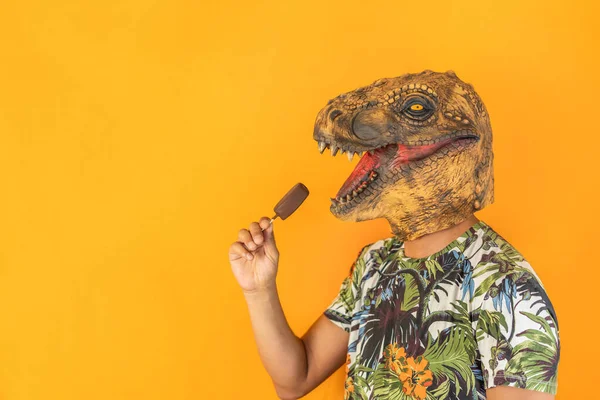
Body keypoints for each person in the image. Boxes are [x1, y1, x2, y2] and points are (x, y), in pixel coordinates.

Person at [228, 70, 559, 399]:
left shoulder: (507, 285)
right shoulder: (374, 263)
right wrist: (259, 290)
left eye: (417, 109)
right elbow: (295, 379)